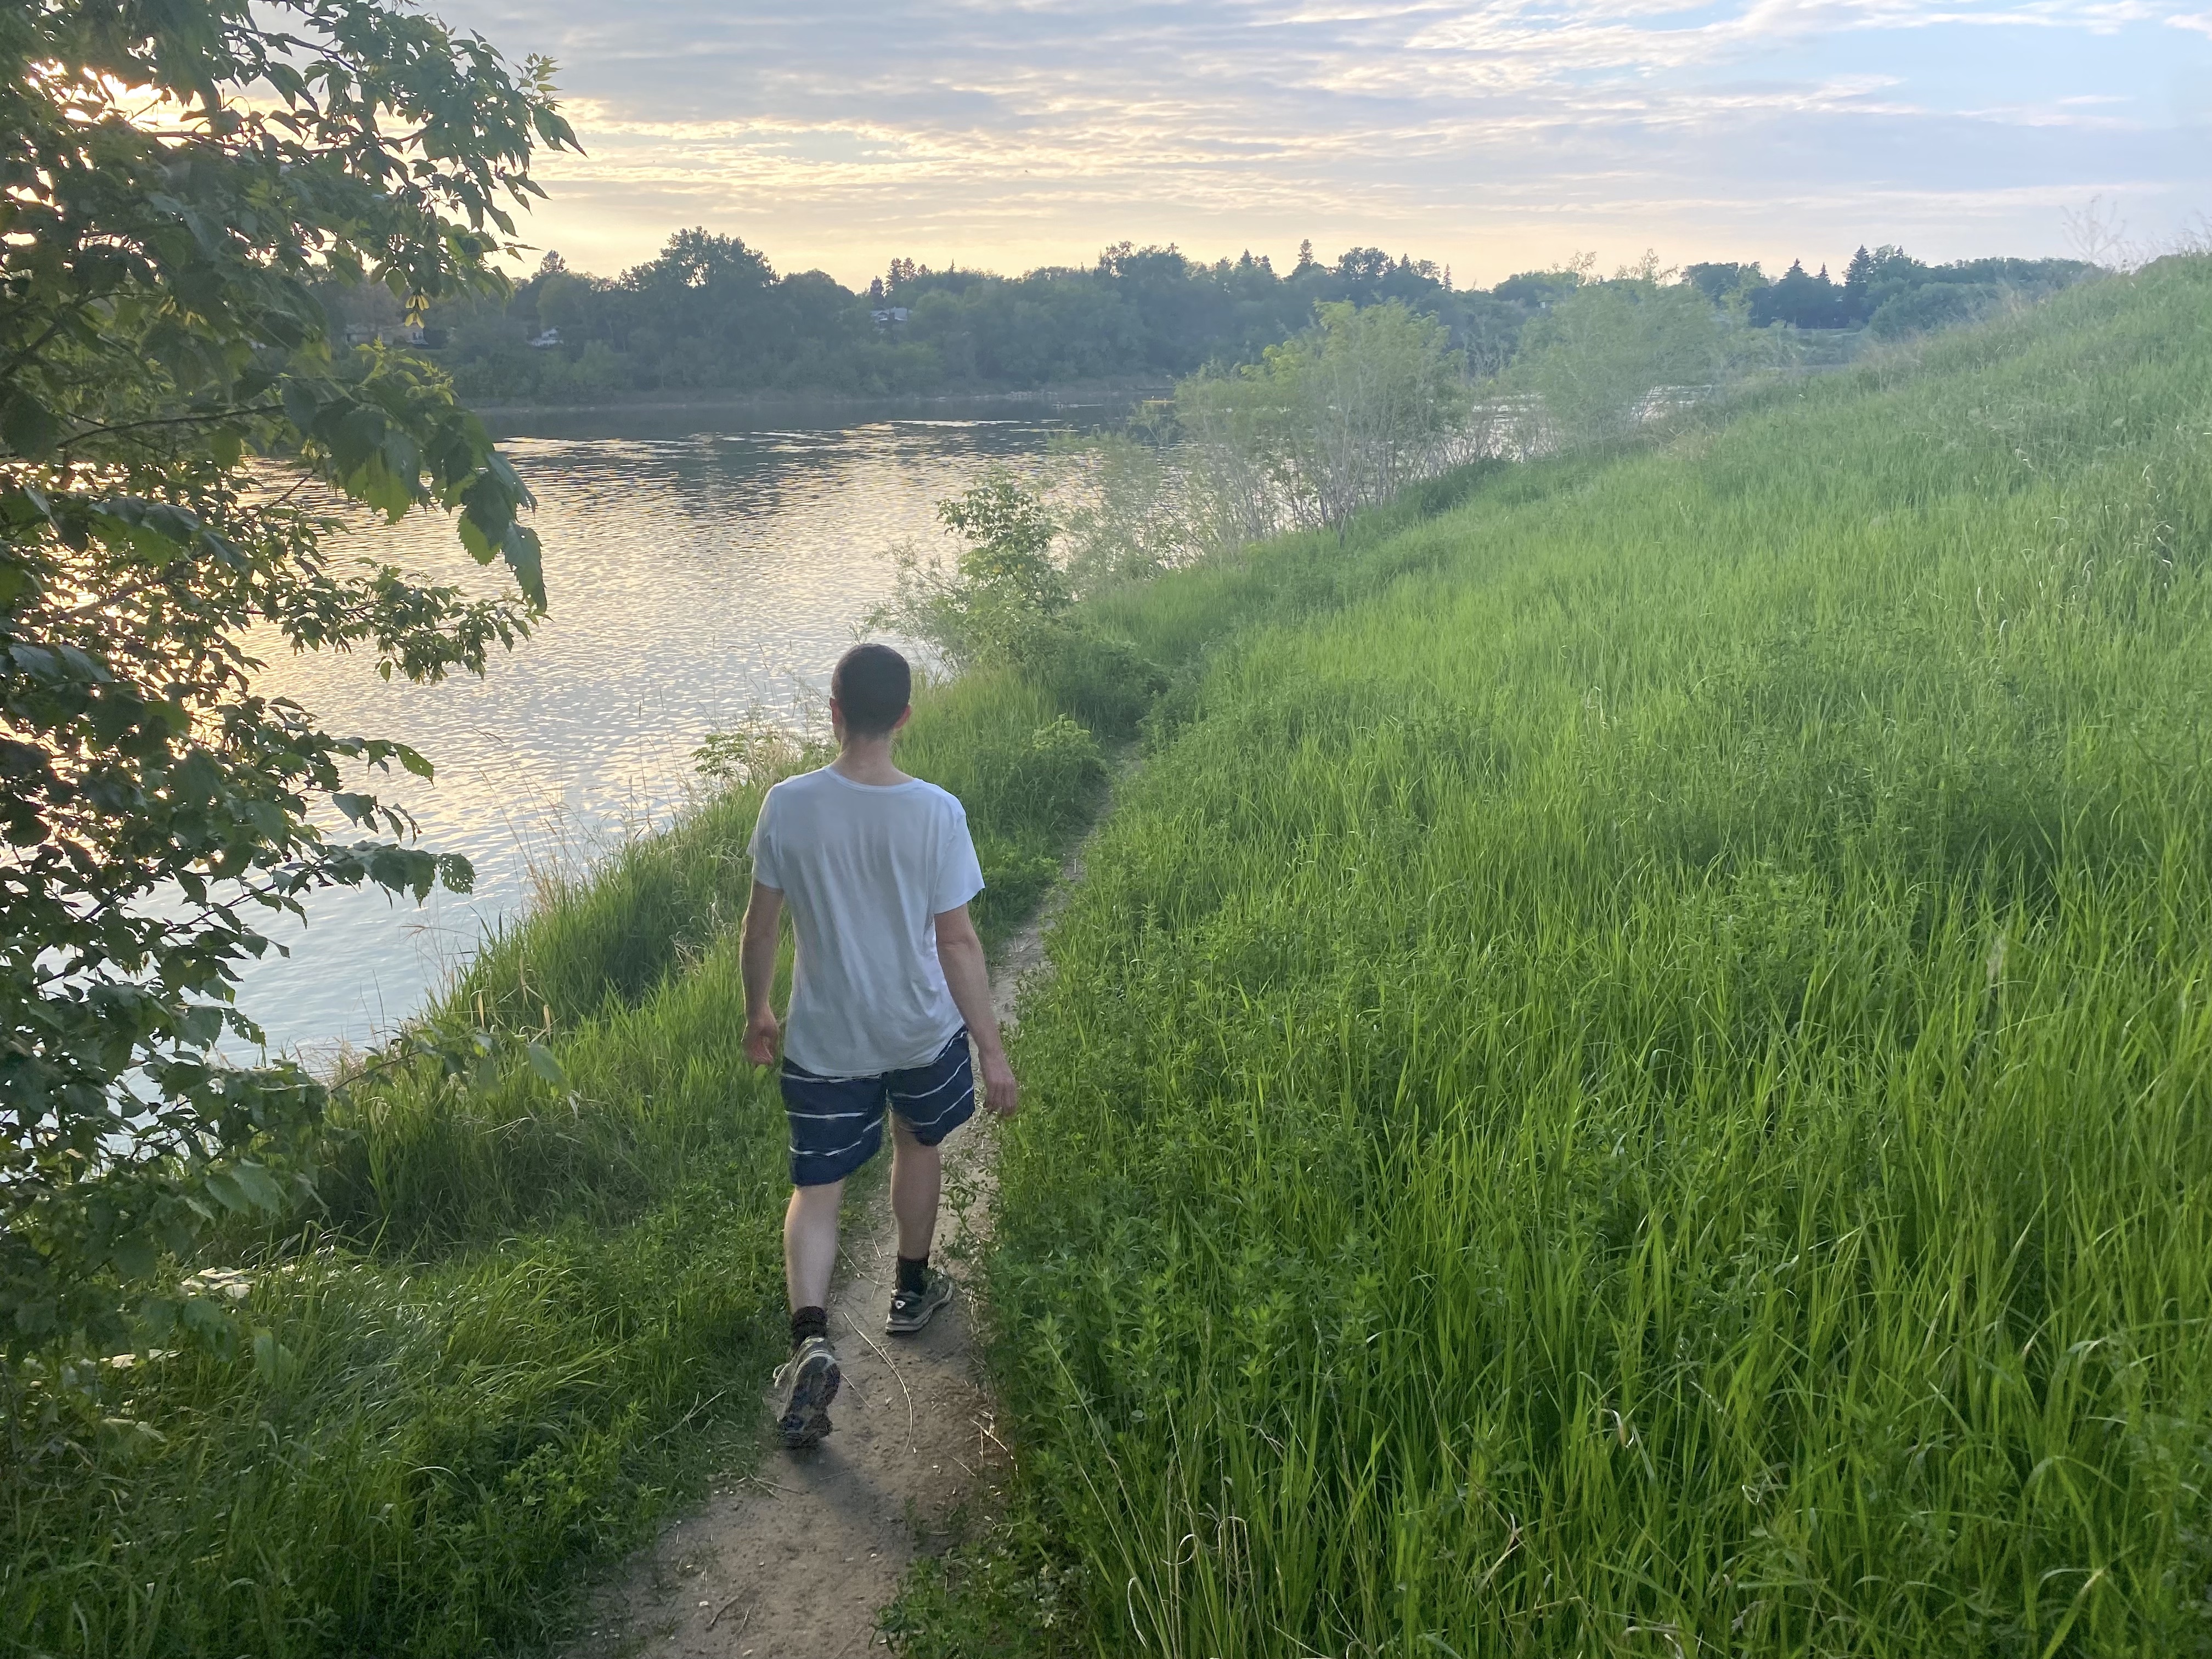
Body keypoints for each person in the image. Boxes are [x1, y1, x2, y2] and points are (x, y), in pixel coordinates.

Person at [740, 642, 1020, 1449]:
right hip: (917, 1027)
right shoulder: (935, 810)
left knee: (818, 1186)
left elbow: (762, 925)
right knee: (917, 1143)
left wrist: (760, 1010)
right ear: (903, 716)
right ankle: (910, 1290)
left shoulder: (786, 805)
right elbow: (958, 944)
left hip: (826, 1035)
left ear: (833, 712)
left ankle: (811, 1339)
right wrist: (991, 1051)